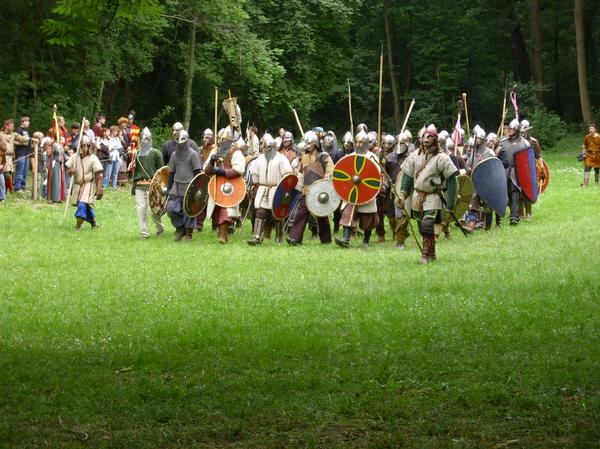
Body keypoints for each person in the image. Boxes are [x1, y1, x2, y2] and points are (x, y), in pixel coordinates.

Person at [396, 124, 459, 264]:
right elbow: (407, 176)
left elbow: (451, 180)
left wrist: (450, 203)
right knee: (422, 228)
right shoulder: (415, 155)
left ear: (435, 140)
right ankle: (432, 252)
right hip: (417, 197)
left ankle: (424, 255)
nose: (426, 139)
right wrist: (403, 195)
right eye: (424, 136)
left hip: (433, 197)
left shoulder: (442, 158)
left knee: (427, 224)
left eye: (430, 137)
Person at [334, 130, 380, 248]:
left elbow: (377, 174)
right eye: (357, 142)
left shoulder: (372, 157)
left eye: (361, 142)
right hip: (352, 191)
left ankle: (366, 241)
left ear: (366, 143)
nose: (359, 144)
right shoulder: (350, 156)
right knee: (347, 214)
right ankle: (346, 239)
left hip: (366, 191)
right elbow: (343, 172)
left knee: (368, 218)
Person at [287, 131, 334, 246]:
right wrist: (298, 188)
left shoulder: (324, 156)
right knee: (301, 213)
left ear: (315, 144)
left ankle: (326, 239)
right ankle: (295, 238)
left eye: (309, 143)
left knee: (321, 215)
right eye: (306, 143)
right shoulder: (304, 157)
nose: (307, 146)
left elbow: (330, 171)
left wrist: (324, 184)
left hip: (320, 190)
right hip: (306, 190)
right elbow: (301, 174)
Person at [247, 133, 292, 245]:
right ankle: (257, 236)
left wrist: (284, 190)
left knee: (278, 214)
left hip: (277, 189)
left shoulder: (281, 159)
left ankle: (278, 238)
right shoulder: (260, 159)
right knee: (260, 212)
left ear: (274, 147)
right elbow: (255, 174)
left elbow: (288, 175)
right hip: (262, 189)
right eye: (266, 147)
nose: (268, 149)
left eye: (270, 147)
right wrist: (254, 186)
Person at [203, 126, 246, 243]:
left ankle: (222, 235)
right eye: (220, 139)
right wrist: (212, 161)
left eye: (224, 139)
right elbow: (206, 170)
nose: (221, 141)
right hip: (217, 184)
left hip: (231, 185)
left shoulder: (236, 152)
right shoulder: (215, 151)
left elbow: (239, 170)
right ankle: (224, 233)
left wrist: (221, 171)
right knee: (217, 209)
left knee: (226, 209)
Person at [166, 130, 203, 241]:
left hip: (190, 186)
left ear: (187, 140)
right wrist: (169, 188)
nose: (180, 142)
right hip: (177, 186)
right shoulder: (174, 155)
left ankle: (189, 233)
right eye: (178, 139)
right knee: (171, 209)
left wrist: (197, 189)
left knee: (189, 210)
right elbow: (171, 173)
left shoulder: (193, 154)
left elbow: (197, 172)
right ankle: (180, 228)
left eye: (182, 139)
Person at [132, 127, 165, 239]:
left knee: (153, 210)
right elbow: (136, 172)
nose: (144, 141)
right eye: (142, 138)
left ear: (150, 140)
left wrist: (160, 187)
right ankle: (144, 233)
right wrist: (133, 187)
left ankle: (160, 228)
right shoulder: (137, 154)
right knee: (141, 211)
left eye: (146, 139)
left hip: (152, 186)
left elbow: (162, 171)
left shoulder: (156, 153)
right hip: (140, 186)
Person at [65, 135, 104, 230]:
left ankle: (78, 224)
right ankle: (93, 223)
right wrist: (71, 171)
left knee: (82, 204)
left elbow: (99, 174)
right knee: (84, 205)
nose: (85, 148)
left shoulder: (93, 158)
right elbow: (67, 169)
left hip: (88, 184)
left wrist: (99, 188)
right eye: (83, 145)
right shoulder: (74, 157)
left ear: (89, 146)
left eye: (86, 145)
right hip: (77, 185)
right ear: (80, 146)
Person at [497, 119, 530, 225]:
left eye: (511, 129)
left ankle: (514, 216)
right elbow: (496, 158)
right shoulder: (502, 142)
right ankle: (514, 214)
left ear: (517, 130)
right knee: (509, 193)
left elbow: (528, 160)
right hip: (505, 171)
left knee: (515, 192)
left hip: (517, 171)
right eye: (509, 129)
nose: (509, 130)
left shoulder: (524, 143)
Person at [463, 125, 496, 232]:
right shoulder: (474, 153)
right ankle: (470, 225)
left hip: (486, 183)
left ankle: (488, 226)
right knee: (473, 204)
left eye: (477, 139)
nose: (475, 140)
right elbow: (468, 165)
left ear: (482, 140)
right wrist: (468, 169)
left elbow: (494, 168)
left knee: (487, 206)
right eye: (475, 138)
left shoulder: (489, 153)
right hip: (475, 182)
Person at [0, 118, 35, 197]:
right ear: (6, 126)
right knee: (5, 174)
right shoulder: (0, 134)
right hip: (2, 157)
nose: (12, 128)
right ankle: (4, 193)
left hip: (10, 157)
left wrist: (31, 140)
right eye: (11, 126)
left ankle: (5, 193)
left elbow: (22, 138)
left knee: (9, 175)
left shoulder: (14, 134)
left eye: (13, 126)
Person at [14, 116, 32, 193]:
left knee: (25, 171)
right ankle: (17, 187)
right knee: (20, 171)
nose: (28, 123)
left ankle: (23, 187)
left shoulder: (26, 131)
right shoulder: (19, 130)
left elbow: (27, 141)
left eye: (28, 121)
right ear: (22, 122)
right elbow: (16, 141)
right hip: (20, 153)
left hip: (26, 153)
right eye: (26, 121)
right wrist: (27, 142)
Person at [581, 123, 600, 187]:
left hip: (597, 156)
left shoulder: (599, 137)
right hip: (589, 155)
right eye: (589, 129)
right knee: (587, 168)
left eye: (592, 128)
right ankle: (585, 184)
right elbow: (584, 146)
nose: (590, 130)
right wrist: (583, 154)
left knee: (597, 169)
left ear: (595, 129)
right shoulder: (587, 137)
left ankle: (597, 182)